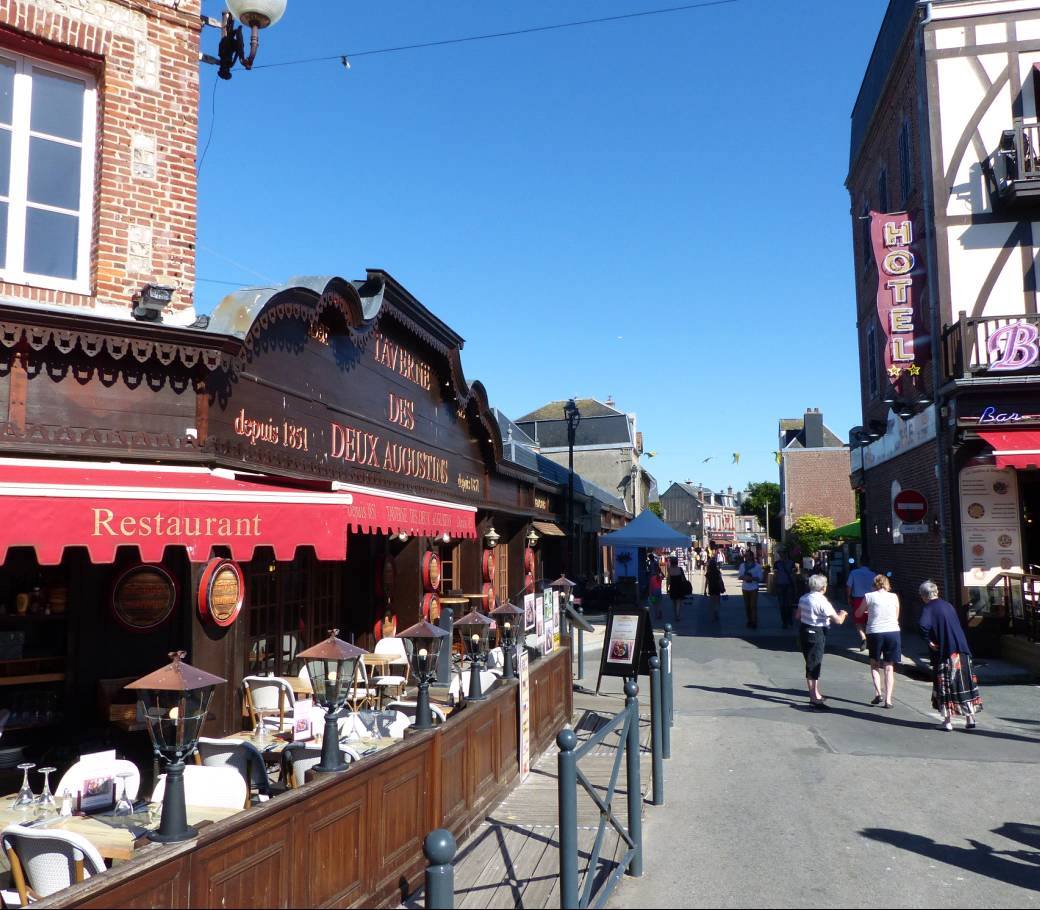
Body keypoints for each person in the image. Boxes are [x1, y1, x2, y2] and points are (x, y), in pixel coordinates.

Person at [919, 580, 982, 731]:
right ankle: (970, 718)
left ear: (924, 596)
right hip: (962, 650)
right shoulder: (948, 605)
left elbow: (922, 625)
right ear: (937, 592)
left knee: (946, 686)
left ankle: (947, 722)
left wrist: (929, 641)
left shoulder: (928, 608)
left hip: (945, 653)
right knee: (964, 683)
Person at [796, 574, 848, 709]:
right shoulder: (822, 601)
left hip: (804, 630)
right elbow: (838, 620)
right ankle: (814, 698)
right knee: (815, 664)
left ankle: (815, 693)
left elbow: (797, 615)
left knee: (809, 661)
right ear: (823, 587)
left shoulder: (804, 598)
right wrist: (843, 613)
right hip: (817, 633)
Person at [863, 574, 901, 708]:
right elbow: (896, 615)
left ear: (874, 584)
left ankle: (878, 693)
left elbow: (858, 613)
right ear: (887, 584)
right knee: (889, 667)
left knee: (874, 663)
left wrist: (869, 612)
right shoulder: (894, 596)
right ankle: (888, 700)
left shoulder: (869, 596)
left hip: (875, 632)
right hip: (892, 631)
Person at [846, 559, 877, 652]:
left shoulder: (854, 573)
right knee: (870, 619)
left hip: (858, 599)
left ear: (860, 563)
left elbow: (849, 586)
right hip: (871, 598)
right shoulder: (873, 574)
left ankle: (863, 638)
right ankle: (871, 639)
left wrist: (848, 597)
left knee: (858, 621)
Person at [737, 553, 763, 629]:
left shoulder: (757, 566)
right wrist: (745, 577)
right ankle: (749, 620)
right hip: (745, 588)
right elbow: (740, 576)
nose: (746, 557)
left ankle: (754, 622)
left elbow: (760, 577)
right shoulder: (742, 565)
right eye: (746, 556)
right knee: (747, 606)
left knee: (753, 606)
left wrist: (752, 578)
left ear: (752, 556)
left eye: (748, 556)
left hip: (754, 587)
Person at [772, 550, 797, 629]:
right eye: (780, 553)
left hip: (787, 585)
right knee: (782, 605)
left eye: (783, 553)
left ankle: (788, 620)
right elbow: (775, 575)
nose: (782, 555)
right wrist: (775, 585)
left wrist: (795, 585)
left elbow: (793, 574)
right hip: (781, 585)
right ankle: (785, 622)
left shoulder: (791, 563)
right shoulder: (776, 563)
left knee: (788, 605)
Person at [667, 556, 688, 623]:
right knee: (678, 602)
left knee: (673, 602)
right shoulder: (680, 569)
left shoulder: (669, 569)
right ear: (677, 562)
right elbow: (683, 578)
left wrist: (667, 587)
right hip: (679, 587)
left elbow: (668, 580)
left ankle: (675, 615)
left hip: (673, 587)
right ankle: (678, 615)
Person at [704, 556, 726, 621]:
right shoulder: (718, 572)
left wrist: (705, 590)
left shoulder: (708, 573)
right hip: (717, 587)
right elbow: (720, 580)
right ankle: (716, 611)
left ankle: (713, 614)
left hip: (711, 587)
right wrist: (722, 587)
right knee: (717, 601)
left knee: (712, 602)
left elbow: (706, 582)